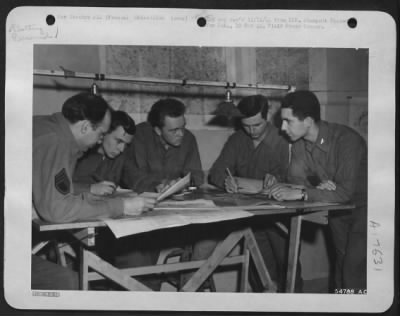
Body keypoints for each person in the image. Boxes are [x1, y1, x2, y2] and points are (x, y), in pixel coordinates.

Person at [32, 92, 156, 289]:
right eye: (100, 134)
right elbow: (57, 210)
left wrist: (84, 193)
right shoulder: (56, 141)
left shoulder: (50, 129)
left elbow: (54, 189)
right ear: (85, 127)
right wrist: (120, 206)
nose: (100, 141)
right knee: (71, 284)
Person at [193, 94, 296, 292]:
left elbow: (296, 180)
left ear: (267, 118)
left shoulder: (283, 141)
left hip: (280, 216)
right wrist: (226, 181)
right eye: (246, 125)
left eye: (256, 125)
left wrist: (272, 183)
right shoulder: (237, 139)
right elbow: (216, 172)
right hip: (251, 216)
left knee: (288, 267)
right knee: (260, 271)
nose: (251, 131)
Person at [269, 90, 367, 292]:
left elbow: (344, 193)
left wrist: (306, 193)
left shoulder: (347, 140)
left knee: (352, 270)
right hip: (337, 210)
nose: (282, 127)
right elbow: (296, 180)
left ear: (308, 121)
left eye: (288, 121)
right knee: (340, 265)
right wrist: (316, 187)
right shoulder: (298, 146)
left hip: (366, 210)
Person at [124, 98, 203, 193]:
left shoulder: (189, 139)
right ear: (158, 130)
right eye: (174, 130)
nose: (181, 134)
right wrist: (158, 185)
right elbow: (133, 176)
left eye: (183, 127)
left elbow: (196, 174)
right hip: (144, 196)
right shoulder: (139, 136)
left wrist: (184, 183)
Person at [73, 110, 136, 195]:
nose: (122, 149)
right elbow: (56, 188)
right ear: (104, 133)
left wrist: (157, 186)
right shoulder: (79, 153)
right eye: (118, 141)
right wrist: (90, 188)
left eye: (126, 144)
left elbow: (135, 177)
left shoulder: (121, 156)